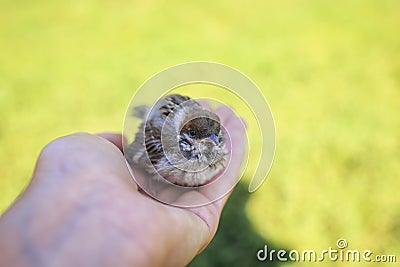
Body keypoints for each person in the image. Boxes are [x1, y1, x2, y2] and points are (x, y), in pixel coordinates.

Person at [0, 106, 246, 267]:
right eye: (202, 137)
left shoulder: (216, 146)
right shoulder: (162, 146)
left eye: (216, 137)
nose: (214, 143)